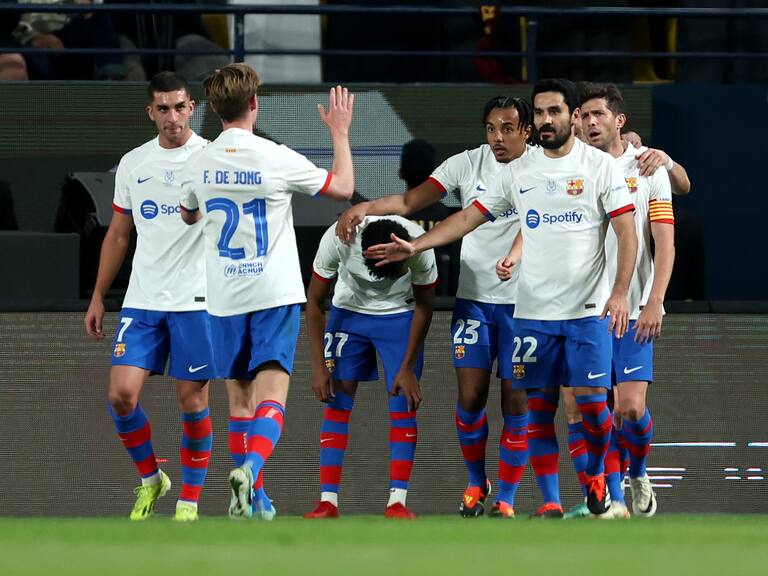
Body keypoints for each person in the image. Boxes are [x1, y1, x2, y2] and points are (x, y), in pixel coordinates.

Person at [368, 78, 638, 518]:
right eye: (541, 112)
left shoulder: (599, 167)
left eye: (554, 112)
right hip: (530, 312)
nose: (547, 120)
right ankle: (535, 494)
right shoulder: (517, 173)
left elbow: (627, 234)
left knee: (591, 403)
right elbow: (467, 217)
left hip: (586, 309)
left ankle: (598, 479)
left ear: (571, 115)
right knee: (529, 407)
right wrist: (417, 246)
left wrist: (621, 292)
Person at [336, 96, 533, 518]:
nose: (498, 137)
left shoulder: (542, 168)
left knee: (516, 403)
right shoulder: (467, 164)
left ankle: (508, 499)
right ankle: (476, 482)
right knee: (469, 399)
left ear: (527, 131)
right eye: (491, 129)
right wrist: (365, 206)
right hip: (476, 301)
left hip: (527, 303)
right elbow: (411, 203)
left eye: (508, 129)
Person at [180, 63, 354, 519]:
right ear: (254, 104)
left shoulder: (198, 161)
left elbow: (188, 213)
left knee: (240, 401)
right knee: (273, 396)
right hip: (272, 294)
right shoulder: (275, 157)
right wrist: (339, 132)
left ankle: (253, 500)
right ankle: (252, 472)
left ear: (214, 110)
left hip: (223, 297)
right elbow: (343, 188)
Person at [84, 72, 213, 522]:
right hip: (142, 300)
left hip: (198, 301)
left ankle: (189, 503)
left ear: (191, 108)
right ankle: (151, 478)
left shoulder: (212, 159)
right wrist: (100, 295)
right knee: (121, 396)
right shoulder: (134, 163)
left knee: (192, 401)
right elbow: (119, 234)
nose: (172, 117)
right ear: (150, 112)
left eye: (179, 107)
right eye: (163, 108)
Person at [579, 82, 675, 517]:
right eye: (582, 115)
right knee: (597, 410)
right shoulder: (570, 167)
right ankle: (613, 498)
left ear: (619, 120)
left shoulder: (646, 166)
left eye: (598, 114)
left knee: (631, 409)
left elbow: (665, 242)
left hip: (635, 306)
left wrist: (655, 300)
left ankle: (638, 473)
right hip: (585, 310)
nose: (588, 122)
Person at [303, 216, 437, 519]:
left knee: (403, 404)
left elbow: (425, 306)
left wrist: (407, 366)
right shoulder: (338, 238)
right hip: (349, 312)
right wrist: (318, 365)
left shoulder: (420, 247)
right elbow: (314, 300)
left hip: (400, 315)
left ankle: (397, 502)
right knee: (337, 403)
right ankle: (327, 502)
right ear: (362, 253)